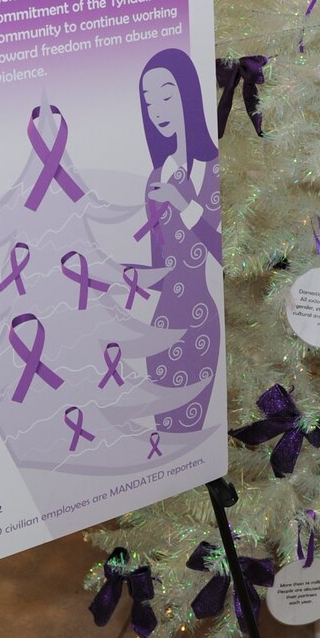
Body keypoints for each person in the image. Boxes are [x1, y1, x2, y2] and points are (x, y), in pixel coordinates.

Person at [137, 49, 222, 433]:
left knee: (191, 433)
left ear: (188, 92)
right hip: (162, 323)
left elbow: (221, 252)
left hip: (201, 322)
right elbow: (160, 265)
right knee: (167, 435)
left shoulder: (213, 170)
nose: (157, 108)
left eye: (166, 94)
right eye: (149, 99)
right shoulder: (156, 177)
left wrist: (182, 202)